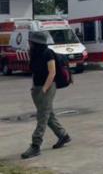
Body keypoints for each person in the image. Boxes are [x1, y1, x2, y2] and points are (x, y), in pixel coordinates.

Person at [21, 31, 70, 159]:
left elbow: (52, 73)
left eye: (31, 41)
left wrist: (44, 89)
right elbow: (35, 72)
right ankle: (63, 136)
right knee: (48, 114)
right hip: (37, 88)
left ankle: (35, 145)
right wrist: (34, 87)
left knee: (42, 116)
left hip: (48, 87)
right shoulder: (34, 54)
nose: (29, 43)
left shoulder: (48, 53)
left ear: (36, 43)